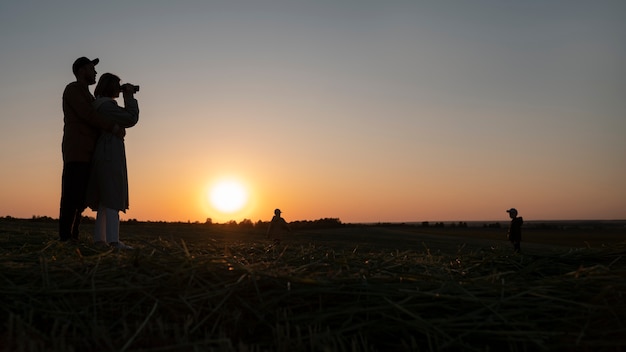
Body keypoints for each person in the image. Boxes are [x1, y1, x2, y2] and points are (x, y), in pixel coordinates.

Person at [59, 57, 123, 242]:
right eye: (91, 68)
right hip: (77, 150)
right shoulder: (73, 89)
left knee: (80, 198)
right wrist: (113, 127)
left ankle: (73, 237)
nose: (95, 72)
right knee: (72, 196)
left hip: (89, 153)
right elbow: (87, 115)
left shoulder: (89, 96)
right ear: (81, 70)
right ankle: (65, 238)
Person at [86, 73, 139, 249]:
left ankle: (100, 239)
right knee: (113, 195)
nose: (120, 87)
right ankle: (113, 241)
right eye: (118, 85)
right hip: (109, 153)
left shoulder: (100, 104)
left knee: (105, 197)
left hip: (105, 152)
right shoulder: (106, 106)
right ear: (110, 86)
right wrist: (129, 97)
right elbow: (130, 119)